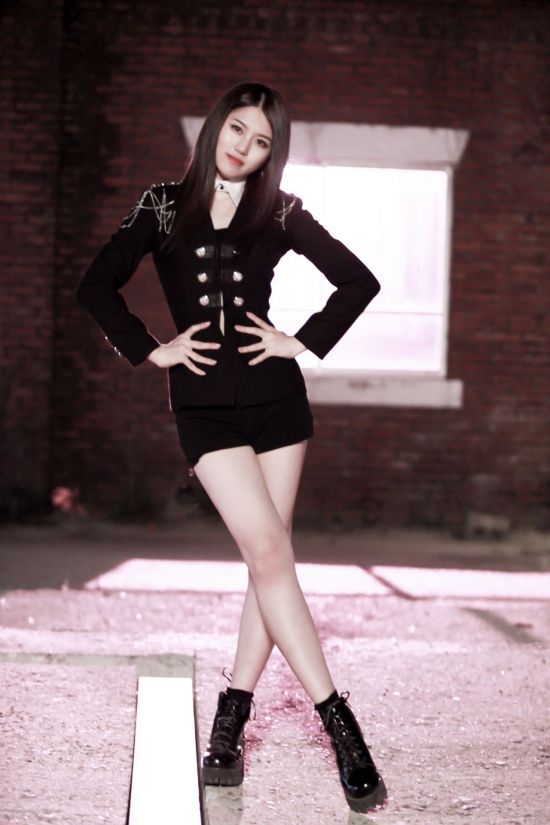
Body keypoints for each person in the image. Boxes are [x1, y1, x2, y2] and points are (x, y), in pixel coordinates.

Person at [77, 81, 386, 813]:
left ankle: (231, 716)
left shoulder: (279, 210)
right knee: (272, 552)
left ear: (273, 153)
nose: (245, 147)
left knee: (266, 561)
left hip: (278, 403)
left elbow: (357, 280)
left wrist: (301, 340)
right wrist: (148, 348)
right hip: (205, 411)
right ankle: (341, 727)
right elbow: (96, 285)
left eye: (262, 141)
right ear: (217, 126)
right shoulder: (161, 205)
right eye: (238, 130)